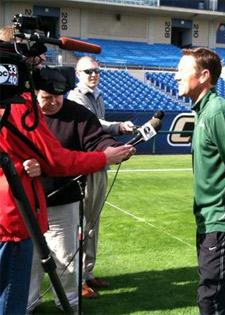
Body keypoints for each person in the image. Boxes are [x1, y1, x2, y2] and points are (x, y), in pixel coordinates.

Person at [0, 43, 134, 315]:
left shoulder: (74, 113)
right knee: (18, 282)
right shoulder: (18, 108)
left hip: (48, 204)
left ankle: (69, 304)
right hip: (15, 214)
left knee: (63, 260)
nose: (51, 101)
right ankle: (29, 305)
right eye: (35, 64)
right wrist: (104, 158)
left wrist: (106, 150)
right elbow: (57, 159)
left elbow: (94, 139)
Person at [175, 47, 225, 315]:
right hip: (211, 219)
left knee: (212, 298)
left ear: (204, 75)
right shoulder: (203, 112)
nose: (176, 76)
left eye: (182, 71)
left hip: (224, 220)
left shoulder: (218, 113)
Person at [67, 56, 135, 294]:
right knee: (81, 224)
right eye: (88, 71)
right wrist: (118, 127)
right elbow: (94, 124)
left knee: (93, 224)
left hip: (99, 166)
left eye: (97, 71)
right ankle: (77, 280)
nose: (93, 75)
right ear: (78, 73)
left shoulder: (98, 95)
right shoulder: (75, 97)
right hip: (86, 167)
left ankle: (88, 273)